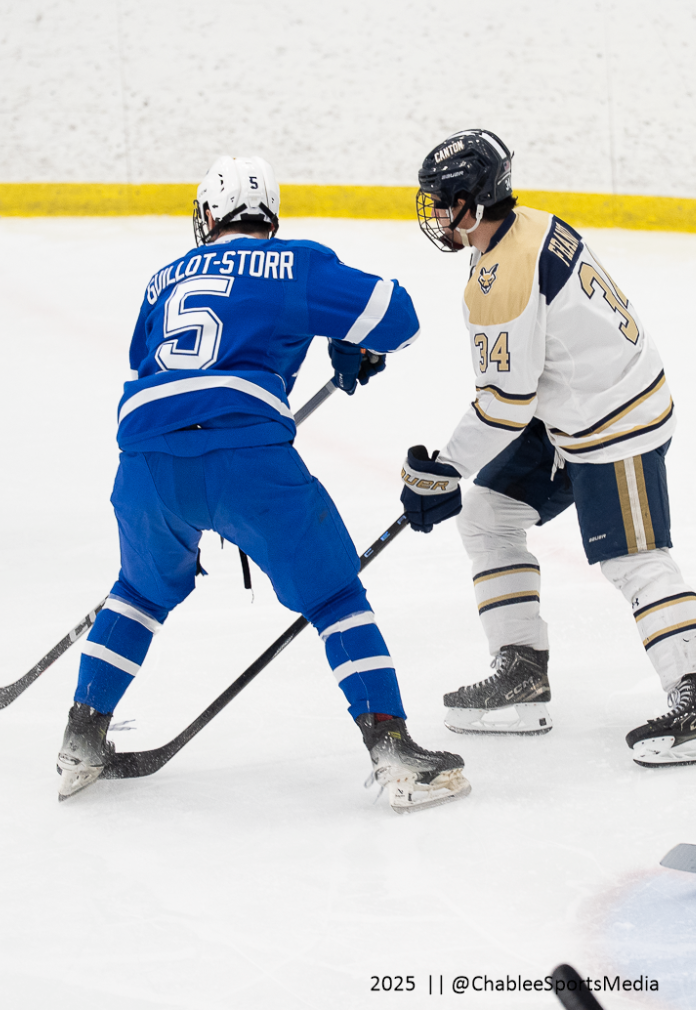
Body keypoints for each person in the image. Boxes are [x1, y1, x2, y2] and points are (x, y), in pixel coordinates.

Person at [54, 155, 469, 814]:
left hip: (145, 456)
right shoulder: (293, 262)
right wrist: (348, 337)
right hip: (243, 458)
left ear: (206, 216)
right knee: (334, 594)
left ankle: (81, 736)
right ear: (270, 216)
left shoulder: (164, 278)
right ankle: (392, 749)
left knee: (138, 590)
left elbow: (151, 361)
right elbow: (399, 317)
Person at [396, 129, 696, 768]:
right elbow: (523, 385)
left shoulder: (503, 274)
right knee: (488, 516)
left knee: (634, 559)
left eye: (445, 200)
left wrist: (443, 469)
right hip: (569, 411)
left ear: (476, 199)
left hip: (614, 419)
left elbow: (505, 403)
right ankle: (521, 673)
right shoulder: (525, 226)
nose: (436, 212)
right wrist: (453, 472)